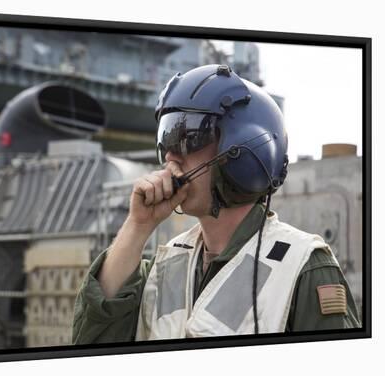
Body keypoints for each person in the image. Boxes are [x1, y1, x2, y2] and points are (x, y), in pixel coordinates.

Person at [72, 64, 360, 344]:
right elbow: (94, 341)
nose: (172, 157)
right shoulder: (168, 264)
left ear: (244, 149)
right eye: (167, 139)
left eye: (188, 138)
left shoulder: (302, 266)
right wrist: (138, 225)